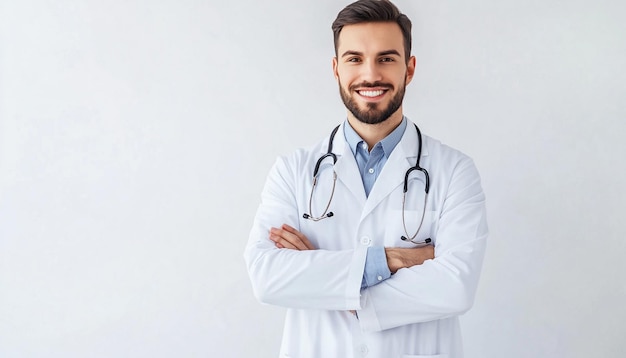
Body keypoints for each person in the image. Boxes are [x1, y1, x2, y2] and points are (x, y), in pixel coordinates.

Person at [244, 0, 488, 357]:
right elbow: (267, 277)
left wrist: (322, 278)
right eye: (354, 59)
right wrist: (392, 259)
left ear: (410, 68)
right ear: (336, 69)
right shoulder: (293, 171)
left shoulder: (454, 172)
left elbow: (456, 286)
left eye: (386, 58)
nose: (370, 74)